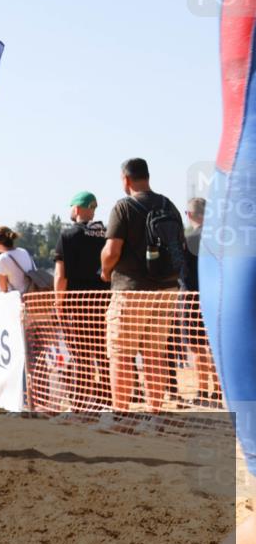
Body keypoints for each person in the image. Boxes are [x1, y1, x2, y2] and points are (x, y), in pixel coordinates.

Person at [100, 158, 185, 414]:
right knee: (154, 353)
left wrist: (105, 271)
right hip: (167, 288)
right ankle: (155, 415)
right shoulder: (168, 205)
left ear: (126, 180)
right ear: (147, 177)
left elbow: (112, 251)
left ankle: (120, 415)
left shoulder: (123, 207)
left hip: (132, 290)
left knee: (121, 354)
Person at [53, 191, 110, 410]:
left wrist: (59, 304)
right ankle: (107, 402)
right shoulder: (106, 233)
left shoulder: (68, 236)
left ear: (76, 209)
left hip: (78, 305)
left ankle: (80, 404)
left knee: (81, 357)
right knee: (104, 356)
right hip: (104, 303)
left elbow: (60, 274)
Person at [180, 197, 217, 405]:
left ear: (190, 215)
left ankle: (203, 392)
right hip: (216, 297)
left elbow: (182, 272)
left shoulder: (188, 240)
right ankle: (218, 392)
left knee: (196, 347)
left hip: (192, 297)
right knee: (213, 347)